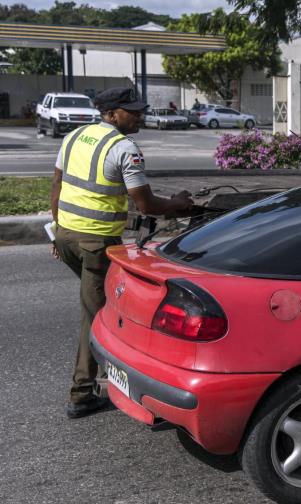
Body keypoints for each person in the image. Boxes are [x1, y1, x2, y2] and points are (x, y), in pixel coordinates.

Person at [50, 87, 194, 419]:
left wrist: (55, 229)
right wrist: (179, 204)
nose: (139, 115)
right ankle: (82, 393)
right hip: (96, 244)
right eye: (132, 110)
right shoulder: (124, 148)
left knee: (103, 302)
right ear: (113, 114)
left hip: (66, 237)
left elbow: (57, 184)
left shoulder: (74, 137)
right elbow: (146, 204)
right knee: (95, 313)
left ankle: (116, 365)